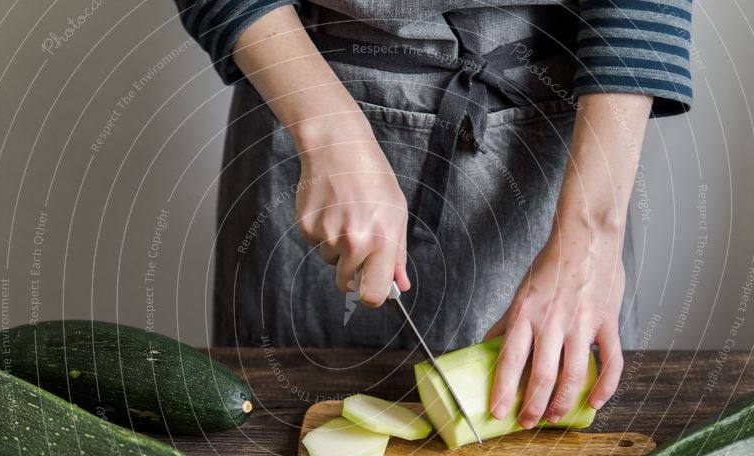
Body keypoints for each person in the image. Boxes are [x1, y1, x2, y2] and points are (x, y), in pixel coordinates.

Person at [174, 1, 693, 429]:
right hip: (302, 89)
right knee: (273, 436)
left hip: (569, 140)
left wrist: (592, 231)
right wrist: (328, 129)